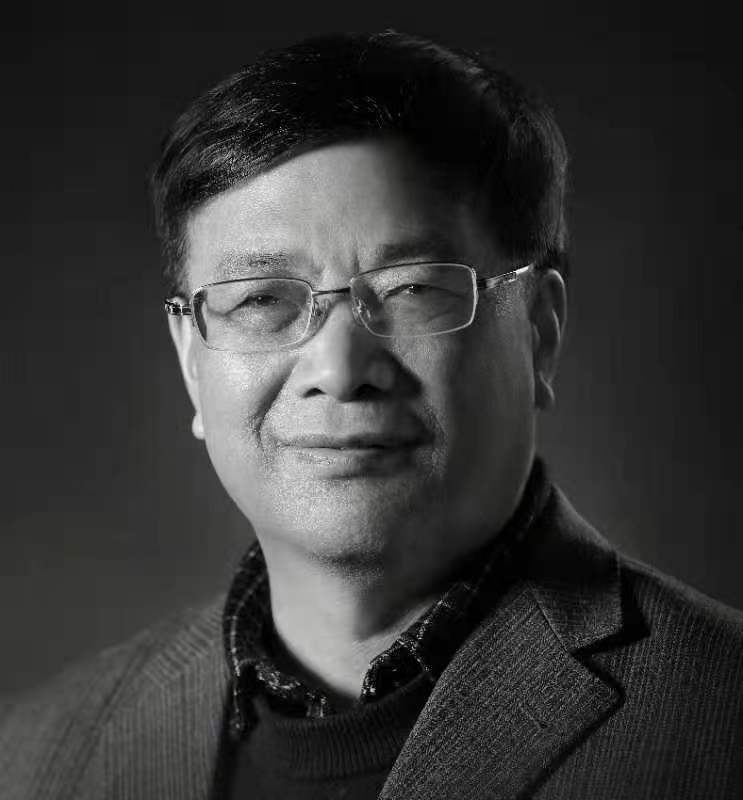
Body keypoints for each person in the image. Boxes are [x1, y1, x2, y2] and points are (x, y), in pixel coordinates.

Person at [2, 30, 742, 800]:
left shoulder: (721, 720)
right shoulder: (31, 760)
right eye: (260, 300)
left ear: (539, 334)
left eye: (412, 289)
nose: (338, 370)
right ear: (192, 360)